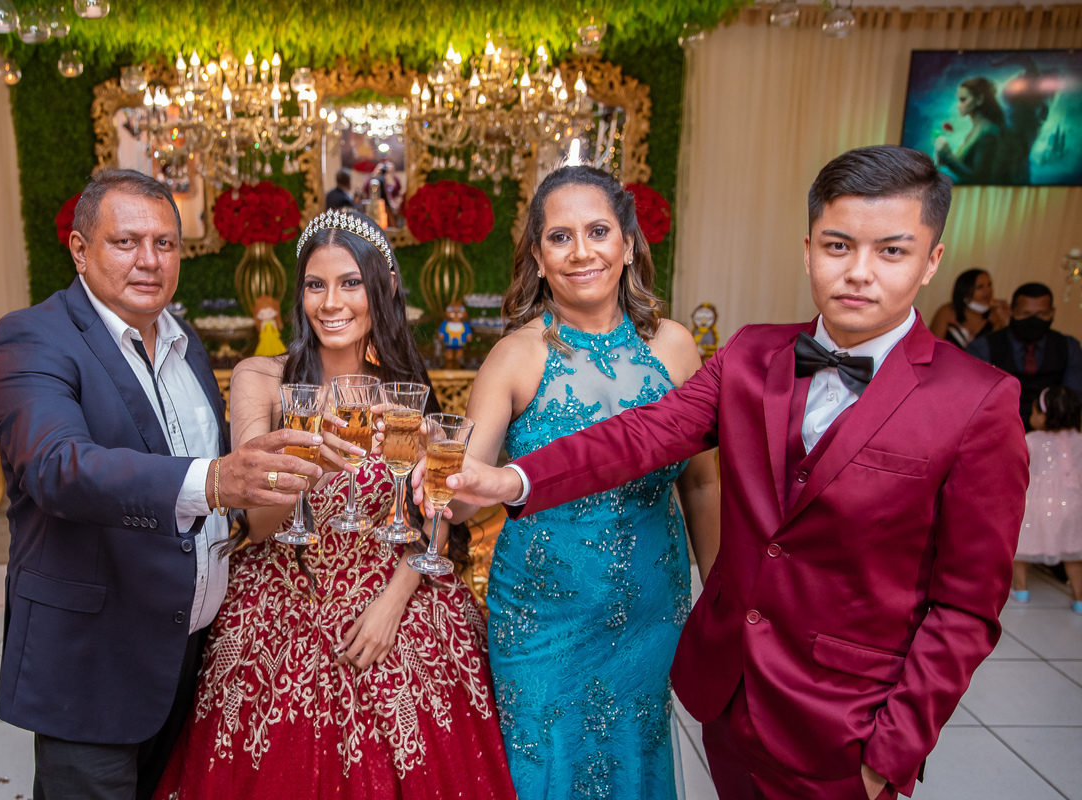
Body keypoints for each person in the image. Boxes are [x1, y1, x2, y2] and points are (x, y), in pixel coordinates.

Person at [418, 146, 1029, 799]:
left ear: (932, 260)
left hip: (845, 726)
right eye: (838, 246)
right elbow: (640, 436)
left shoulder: (978, 402)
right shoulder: (751, 356)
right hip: (730, 700)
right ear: (808, 251)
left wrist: (891, 753)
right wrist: (510, 481)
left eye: (892, 251)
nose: (858, 272)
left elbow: (966, 608)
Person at [0, 169, 332, 800]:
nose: (149, 260)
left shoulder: (184, 341)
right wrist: (217, 479)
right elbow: (58, 467)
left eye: (165, 243)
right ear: (80, 250)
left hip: (185, 654)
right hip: (94, 661)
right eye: (126, 242)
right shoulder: (31, 337)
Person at [153, 209, 517, 800]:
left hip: (396, 595)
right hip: (282, 600)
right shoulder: (261, 379)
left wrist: (393, 602)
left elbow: (434, 512)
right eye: (315, 285)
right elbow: (256, 521)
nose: (331, 303)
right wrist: (313, 453)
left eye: (350, 283)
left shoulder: (402, 387)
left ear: (384, 287)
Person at [453, 165, 719, 798]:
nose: (581, 252)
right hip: (544, 616)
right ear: (538, 258)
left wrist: (721, 596)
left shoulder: (675, 348)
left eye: (598, 231)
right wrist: (436, 481)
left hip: (650, 609)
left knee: (633, 760)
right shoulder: (517, 356)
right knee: (546, 767)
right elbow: (461, 498)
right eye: (559, 237)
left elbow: (702, 485)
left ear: (627, 244)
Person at [967, 282, 1082, 430]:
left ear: (1052, 313)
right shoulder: (983, 347)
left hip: (1053, 431)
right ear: (1012, 311)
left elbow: (1073, 399)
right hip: (996, 429)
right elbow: (975, 400)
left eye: (1041, 314)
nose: (1033, 321)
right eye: (1025, 314)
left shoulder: (1068, 346)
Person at [1012, 386, 1082, 613]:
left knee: (1022, 545)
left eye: (1034, 412)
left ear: (1044, 416)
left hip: (1036, 502)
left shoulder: (1031, 439)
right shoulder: (1079, 439)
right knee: (1073, 551)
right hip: (1072, 503)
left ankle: (1021, 590)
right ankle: (1079, 599)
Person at [934, 76, 1007, 185]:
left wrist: (949, 157)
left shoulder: (988, 133)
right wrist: (945, 158)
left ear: (979, 100)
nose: (958, 105)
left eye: (963, 100)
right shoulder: (978, 129)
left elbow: (979, 179)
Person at [927, 268, 1009, 348]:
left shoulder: (995, 316)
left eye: (989, 285)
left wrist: (1001, 322)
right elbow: (933, 346)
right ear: (965, 292)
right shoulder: (947, 311)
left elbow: (994, 349)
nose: (987, 290)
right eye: (980, 287)